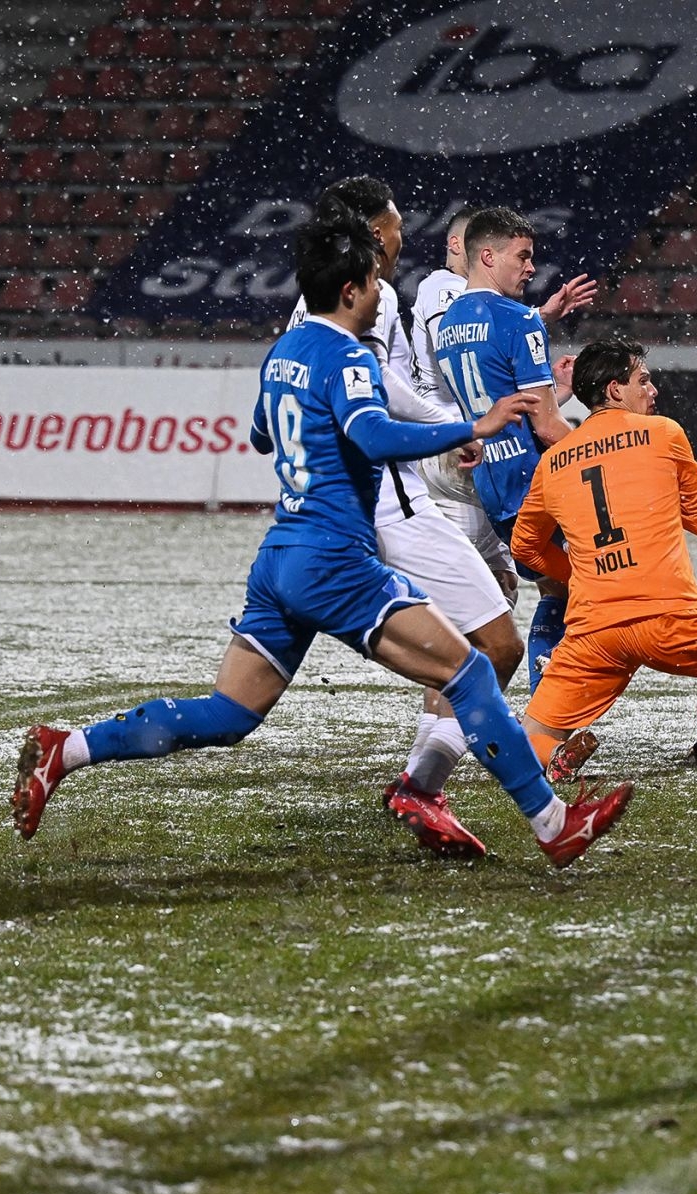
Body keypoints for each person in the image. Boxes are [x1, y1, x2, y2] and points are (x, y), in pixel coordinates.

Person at [11, 202, 633, 867]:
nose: (380, 294)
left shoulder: (285, 350)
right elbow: (373, 435)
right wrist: (468, 428)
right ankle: (552, 823)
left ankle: (66, 748)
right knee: (472, 669)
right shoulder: (348, 355)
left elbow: (260, 433)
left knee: (229, 713)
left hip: (282, 554)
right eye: (373, 283)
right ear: (351, 290)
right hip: (336, 559)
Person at [285, 178, 523, 858]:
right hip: (388, 499)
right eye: (392, 225)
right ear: (369, 232)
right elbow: (378, 393)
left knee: (233, 708)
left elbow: (279, 416)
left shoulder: (319, 302)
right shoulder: (370, 294)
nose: (401, 235)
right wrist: (457, 425)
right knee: (493, 646)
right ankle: (442, 789)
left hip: (335, 509)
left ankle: (422, 782)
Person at [510, 336, 697, 776]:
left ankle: (552, 758)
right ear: (614, 389)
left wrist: (577, 573)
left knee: (534, 735)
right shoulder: (664, 433)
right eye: (643, 380)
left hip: (595, 629)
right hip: (670, 620)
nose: (653, 390)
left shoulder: (552, 461)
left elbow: (524, 547)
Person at [431, 206, 586, 697]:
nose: (531, 268)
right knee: (589, 594)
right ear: (487, 255)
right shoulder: (518, 320)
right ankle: (551, 713)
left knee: (557, 588)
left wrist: (553, 393)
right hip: (538, 484)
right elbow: (547, 426)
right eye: (523, 256)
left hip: (496, 486)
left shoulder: (450, 323)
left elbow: (504, 404)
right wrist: (611, 453)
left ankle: (546, 712)